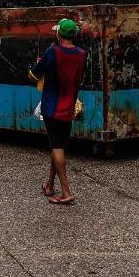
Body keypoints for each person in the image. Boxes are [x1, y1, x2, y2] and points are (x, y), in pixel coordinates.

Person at [30, 18, 85, 205]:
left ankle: (66, 191)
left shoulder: (53, 52)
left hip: (52, 105)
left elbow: (34, 74)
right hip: (69, 104)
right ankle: (50, 185)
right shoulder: (81, 54)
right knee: (58, 145)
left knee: (56, 146)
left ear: (59, 34)